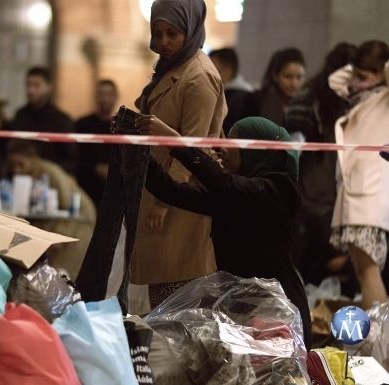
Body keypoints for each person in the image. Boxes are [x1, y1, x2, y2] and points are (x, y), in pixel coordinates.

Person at [140, 116, 312, 349]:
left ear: (258, 149)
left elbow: (225, 184)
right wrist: (136, 150)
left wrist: (175, 142)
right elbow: (171, 192)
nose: (223, 149)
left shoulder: (279, 189)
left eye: (233, 143)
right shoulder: (234, 193)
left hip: (276, 310)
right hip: (239, 307)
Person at [130, 0, 227, 309]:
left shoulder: (198, 77)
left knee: (178, 299)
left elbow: (194, 147)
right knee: (163, 296)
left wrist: (164, 201)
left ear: (191, 28)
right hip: (162, 192)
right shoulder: (173, 69)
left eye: (172, 33)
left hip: (179, 202)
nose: (162, 43)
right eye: (157, 34)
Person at [285, 43, 358, 292]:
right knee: (319, 255)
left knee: (309, 259)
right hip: (324, 188)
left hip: (315, 189)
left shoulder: (312, 93)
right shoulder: (339, 98)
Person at [329, 40, 389, 309]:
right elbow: (335, 81)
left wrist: (382, 67)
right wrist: (359, 68)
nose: (354, 83)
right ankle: (378, 339)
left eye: (363, 77)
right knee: (365, 271)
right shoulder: (361, 99)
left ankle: (379, 341)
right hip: (357, 196)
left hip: (369, 199)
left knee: (368, 272)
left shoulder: (384, 99)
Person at [7, 140, 96, 280]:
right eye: (13, 166)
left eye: (21, 164)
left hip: (77, 221)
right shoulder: (23, 178)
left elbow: (65, 202)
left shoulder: (50, 172)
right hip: (54, 222)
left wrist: (57, 235)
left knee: (62, 274)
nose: (17, 170)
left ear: (33, 159)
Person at [9, 67, 77, 174]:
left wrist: (47, 169)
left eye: (36, 86)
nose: (30, 90)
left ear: (48, 87)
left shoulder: (62, 120)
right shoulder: (20, 115)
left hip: (51, 180)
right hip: (22, 176)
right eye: (28, 85)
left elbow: (72, 160)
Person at [75, 79, 118, 206]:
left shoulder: (124, 127)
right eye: (101, 94)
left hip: (114, 191)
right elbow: (76, 157)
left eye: (108, 95)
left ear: (115, 98)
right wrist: (95, 168)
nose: (104, 99)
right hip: (86, 190)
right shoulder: (82, 125)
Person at [243, 48, 306, 125]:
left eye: (299, 77)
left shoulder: (306, 105)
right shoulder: (255, 102)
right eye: (288, 76)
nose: (294, 84)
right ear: (275, 76)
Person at [209, 47, 254, 135]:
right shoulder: (241, 94)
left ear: (228, 69)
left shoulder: (240, 98)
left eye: (212, 68)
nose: (208, 73)